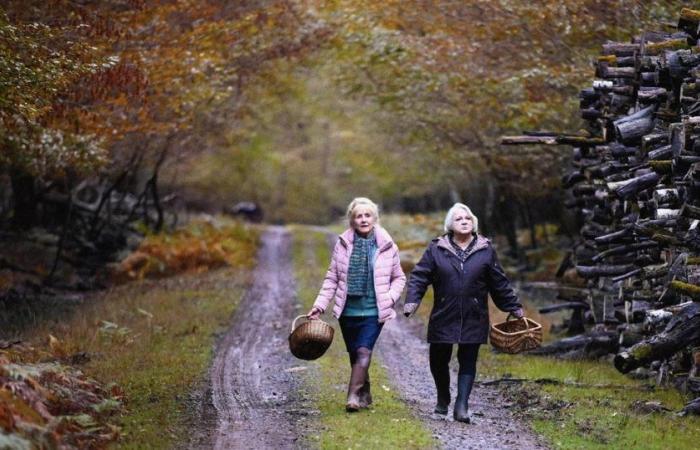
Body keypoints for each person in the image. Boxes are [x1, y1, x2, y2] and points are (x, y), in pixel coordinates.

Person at [403, 202, 523, 423]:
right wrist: (412, 301)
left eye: (468, 218)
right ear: (451, 224)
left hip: (474, 313)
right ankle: (443, 397)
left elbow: (499, 282)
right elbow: (420, 276)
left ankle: (462, 406)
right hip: (444, 312)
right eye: (459, 219)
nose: (464, 221)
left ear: (474, 222)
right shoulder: (437, 248)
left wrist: (514, 307)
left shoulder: (485, 249)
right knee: (438, 358)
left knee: (468, 359)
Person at [307, 197, 406, 412]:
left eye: (367, 215)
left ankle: (352, 396)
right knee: (355, 354)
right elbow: (332, 277)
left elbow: (399, 278)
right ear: (352, 221)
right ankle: (365, 392)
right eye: (358, 216)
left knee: (363, 351)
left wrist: (389, 298)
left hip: (374, 310)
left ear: (375, 218)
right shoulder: (343, 245)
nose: (363, 219)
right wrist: (320, 305)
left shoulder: (387, 246)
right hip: (348, 311)